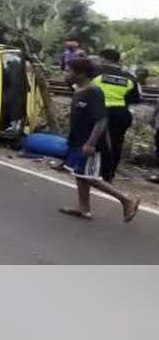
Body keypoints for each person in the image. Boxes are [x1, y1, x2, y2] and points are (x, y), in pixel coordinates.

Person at [60, 58, 140, 222]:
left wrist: (91, 143)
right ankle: (83, 208)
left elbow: (101, 120)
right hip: (77, 140)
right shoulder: (79, 89)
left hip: (90, 142)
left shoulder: (93, 92)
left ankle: (126, 200)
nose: (65, 73)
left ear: (80, 74)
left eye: (68, 70)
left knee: (90, 177)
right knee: (79, 174)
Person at [92, 48, 141, 181]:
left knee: (93, 141)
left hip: (98, 112)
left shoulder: (95, 72)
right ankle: (109, 174)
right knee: (116, 144)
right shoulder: (130, 77)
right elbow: (136, 98)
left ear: (104, 59)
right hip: (120, 114)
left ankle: (93, 171)